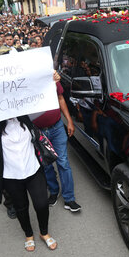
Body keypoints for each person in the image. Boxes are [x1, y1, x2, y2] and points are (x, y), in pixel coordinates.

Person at [0, 83, 57, 251]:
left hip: (33, 170)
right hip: (10, 175)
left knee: (42, 203)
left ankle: (44, 232)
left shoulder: (26, 116)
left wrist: (50, 82)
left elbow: (43, 102)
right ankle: (28, 234)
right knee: (21, 207)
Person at [32, 81, 81, 212]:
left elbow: (60, 98)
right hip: (39, 131)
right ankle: (54, 191)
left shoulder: (51, 76)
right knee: (46, 164)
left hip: (57, 127)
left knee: (63, 162)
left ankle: (69, 198)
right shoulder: (25, 81)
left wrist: (69, 120)